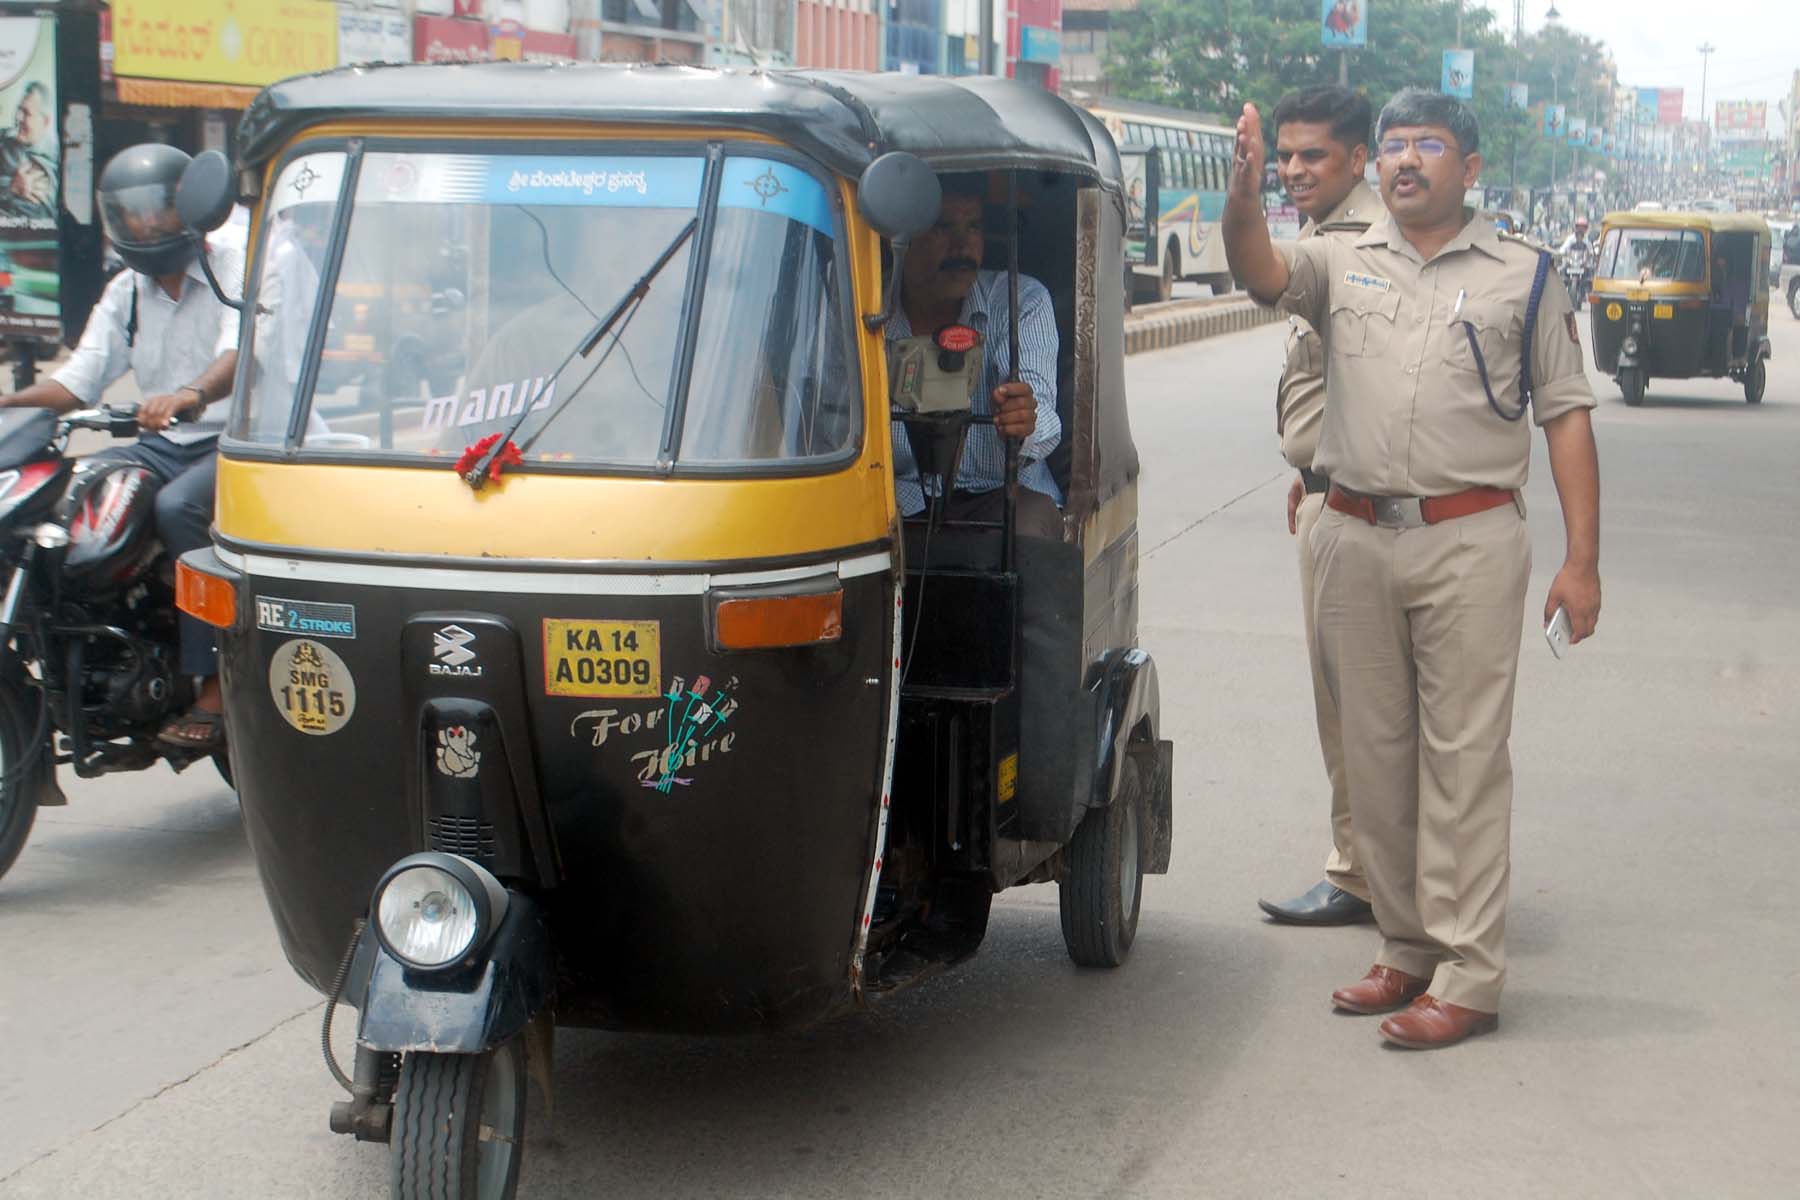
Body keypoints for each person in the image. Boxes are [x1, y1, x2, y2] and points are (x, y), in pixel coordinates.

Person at [1223, 88, 1603, 1049]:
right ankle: (1406, 946)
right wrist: (1243, 193)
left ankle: (1470, 977)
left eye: (1424, 145)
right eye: (1391, 145)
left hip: (1469, 539)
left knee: (1464, 760)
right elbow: (1259, 269)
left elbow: (1565, 414)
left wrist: (1582, 562)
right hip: (1353, 535)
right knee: (1376, 758)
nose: (1402, 160)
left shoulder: (1525, 273)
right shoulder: (1338, 258)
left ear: (1467, 168)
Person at [0, 143, 240, 749]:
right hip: (162, 442)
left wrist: (190, 394)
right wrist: (10, 401)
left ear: (188, 207)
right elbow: (77, 380)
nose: (146, 224)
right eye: (131, 213)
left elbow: (239, 352)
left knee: (177, 508)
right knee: (77, 498)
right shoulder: (125, 291)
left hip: (235, 442)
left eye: (158, 209)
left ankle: (215, 682)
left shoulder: (233, 267)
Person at [1256, 85, 1382, 927]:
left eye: (1314, 155)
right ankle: (1376, 869)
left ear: (1356, 158)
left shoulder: (1364, 243)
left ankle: (1364, 875)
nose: (1295, 170)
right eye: (1285, 156)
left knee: (1358, 707)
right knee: (1347, 700)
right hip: (1329, 491)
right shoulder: (1322, 233)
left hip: (1365, 508)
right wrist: (1312, 467)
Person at [888, 174, 1062, 540]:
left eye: (974, 227)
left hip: (1003, 494)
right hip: (898, 502)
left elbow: (1043, 415)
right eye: (942, 228)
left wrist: (1023, 419)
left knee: (1025, 537)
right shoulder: (866, 310)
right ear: (901, 239)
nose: (962, 247)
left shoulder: (1020, 301)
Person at [0, 80, 56, 222]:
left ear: (45, 121)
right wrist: (11, 187)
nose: (18, 117)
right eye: (19, 109)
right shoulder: (3, 140)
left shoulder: (57, 157)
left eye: (26, 113)